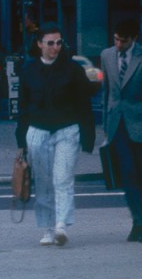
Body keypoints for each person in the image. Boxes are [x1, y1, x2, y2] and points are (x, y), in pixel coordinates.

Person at [16, 25, 96, 246]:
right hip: (37, 132)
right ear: (40, 44)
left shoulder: (73, 70)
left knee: (62, 179)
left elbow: (84, 104)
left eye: (59, 42)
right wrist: (21, 142)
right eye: (50, 43)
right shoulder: (29, 70)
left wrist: (88, 137)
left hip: (67, 130)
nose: (55, 47)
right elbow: (23, 108)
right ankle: (48, 229)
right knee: (43, 182)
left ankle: (61, 225)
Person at [101, 21, 142, 243]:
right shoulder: (106, 56)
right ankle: (139, 222)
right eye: (116, 39)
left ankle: (138, 221)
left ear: (134, 39)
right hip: (117, 125)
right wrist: (105, 126)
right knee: (127, 172)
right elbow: (107, 92)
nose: (119, 44)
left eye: (123, 41)